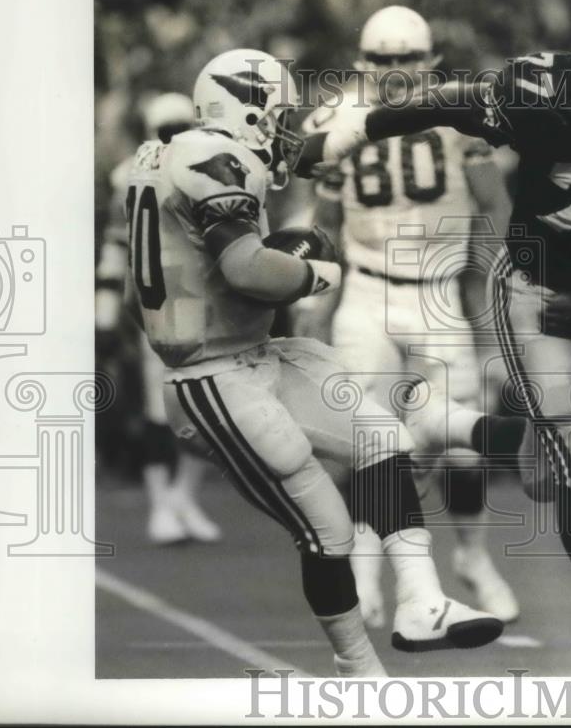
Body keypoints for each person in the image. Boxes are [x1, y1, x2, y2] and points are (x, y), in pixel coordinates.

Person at [298, 13, 571, 676]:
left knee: (549, 476)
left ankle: (437, 425)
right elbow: (454, 102)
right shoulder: (555, 96)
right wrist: (351, 131)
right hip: (535, 289)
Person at [124, 48, 503, 677]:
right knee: (327, 529)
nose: (283, 125)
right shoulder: (210, 160)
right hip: (212, 376)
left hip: (253, 354)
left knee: (383, 437)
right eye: (274, 112)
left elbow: (322, 148)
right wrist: (315, 275)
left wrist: (424, 108)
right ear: (246, 109)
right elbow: (247, 269)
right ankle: (359, 670)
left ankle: (422, 602)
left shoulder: (180, 153)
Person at [298, 6, 519, 628]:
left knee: (462, 449)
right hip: (367, 291)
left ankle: (474, 558)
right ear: (366, 63)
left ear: (429, 61)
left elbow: (495, 211)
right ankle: (368, 573)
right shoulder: (337, 116)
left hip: (438, 292)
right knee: (372, 441)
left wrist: (494, 285)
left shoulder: (462, 113)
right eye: (385, 60)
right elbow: (325, 226)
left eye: (406, 59)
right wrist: (317, 301)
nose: (396, 71)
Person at [96, 92, 222, 545]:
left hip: (206, 301)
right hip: (158, 301)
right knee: (158, 408)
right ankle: (161, 504)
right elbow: (116, 242)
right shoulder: (128, 176)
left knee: (209, 410)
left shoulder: (212, 167)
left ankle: (182, 496)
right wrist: (106, 313)